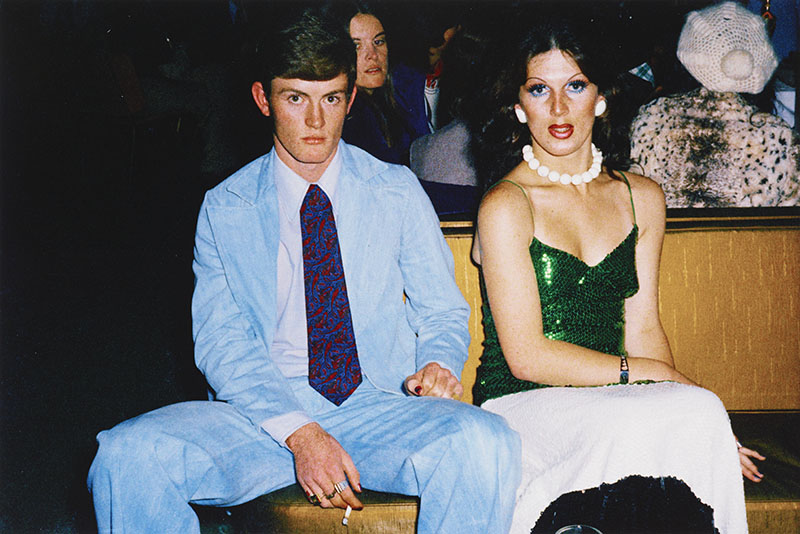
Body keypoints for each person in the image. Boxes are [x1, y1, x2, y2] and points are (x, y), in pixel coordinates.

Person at [87, 7, 520, 533]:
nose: (316, 122)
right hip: (263, 415)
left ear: (351, 98)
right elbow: (222, 342)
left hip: (378, 405)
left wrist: (436, 363)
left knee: (487, 440)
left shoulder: (395, 189)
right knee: (126, 454)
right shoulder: (226, 207)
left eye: (331, 98)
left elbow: (443, 309)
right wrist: (300, 432)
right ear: (262, 99)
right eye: (296, 98)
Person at [470, 16, 762, 534]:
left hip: (611, 401)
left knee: (698, 412)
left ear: (599, 97)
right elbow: (527, 354)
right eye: (540, 90)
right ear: (519, 106)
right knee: (642, 420)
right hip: (522, 401)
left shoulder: (642, 197)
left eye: (575, 86)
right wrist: (651, 380)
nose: (559, 109)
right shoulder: (505, 205)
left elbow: (644, 327)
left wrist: (698, 423)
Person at [337, 2, 430, 165]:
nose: (372, 55)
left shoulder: (393, 101)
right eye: (356, 46)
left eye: (378, 42)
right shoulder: (351, 118)